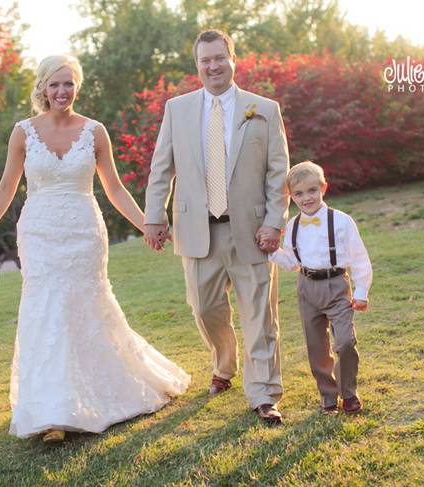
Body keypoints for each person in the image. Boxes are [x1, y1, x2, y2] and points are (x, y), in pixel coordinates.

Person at [0, 55, 190, 443]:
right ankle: (52, 409)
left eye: (68, 84)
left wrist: (147, 225)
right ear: (42, 87)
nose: (62, 91)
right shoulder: (23, 132)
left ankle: (96, 393)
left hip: (84, 231)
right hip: (39, 234)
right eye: (55, 84)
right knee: (46, 311)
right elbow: (6, 187)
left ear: (77, 87)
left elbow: (115, 188)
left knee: (85, 308)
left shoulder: (94, 131)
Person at [144, 29, 290, 423]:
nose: (213, 66)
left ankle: (264, 394)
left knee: (260, 316)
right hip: (197, 230)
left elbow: (279, 172)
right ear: (197, 65)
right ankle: (225, 364)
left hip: (252, 230)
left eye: (219, 58)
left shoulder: (264, 109)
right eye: (205, 60)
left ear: (233, 59)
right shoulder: (177, 109)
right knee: (205, 308)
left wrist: (275, 222)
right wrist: (154, 215)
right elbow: (162, 168)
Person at [262, 161, 372, 415]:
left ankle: (349, 393)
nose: (306, 198)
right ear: (291, 196)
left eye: (312, 190)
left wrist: (361, 292)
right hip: (307, 287)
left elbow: (359, 259)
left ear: (324, 188)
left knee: (345, 342)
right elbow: (292, 263)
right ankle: (328, 395)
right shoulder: (292, 227)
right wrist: (272, 252)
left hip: (336, 286)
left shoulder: (341, 222)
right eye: (298, 193)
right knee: (316, 346)